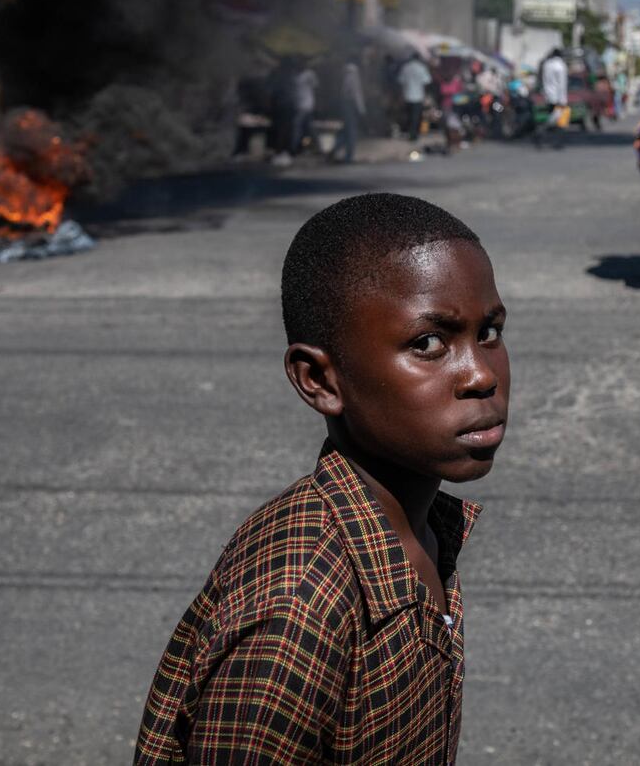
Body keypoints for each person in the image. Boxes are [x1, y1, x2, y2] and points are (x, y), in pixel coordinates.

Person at [135, 193, 511, 766]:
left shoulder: (421, 530)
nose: (482, 375)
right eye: (428, 344)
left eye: (489, 332)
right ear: (319, 380)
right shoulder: (296, 609)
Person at [329, 55, 365, 164]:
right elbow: (356, 93)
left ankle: (333, 151)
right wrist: (361, 109)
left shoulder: (344, 72)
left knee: (346, 131)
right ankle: (349, 157)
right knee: (351, 132)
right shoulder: (354, 73)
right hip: (350, 105)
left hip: (344, 104)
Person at [534, 47, 569, 149]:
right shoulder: (560, 66)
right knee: (558, 120)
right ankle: (545, 135)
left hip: (548, 96)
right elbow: (562, 84)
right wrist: (563, 100)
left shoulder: (547, 64)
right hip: (558, 97)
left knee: (554, 117)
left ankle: (549, 139)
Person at [398, 52, 432, 142]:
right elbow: (427, 82)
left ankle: (410, 133)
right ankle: (414, 134)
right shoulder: (421, 68)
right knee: (416, 117)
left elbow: (401, 82)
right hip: (418, 96)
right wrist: (426, 95)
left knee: (409, 116)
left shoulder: (405, 68)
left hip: (407, 96)